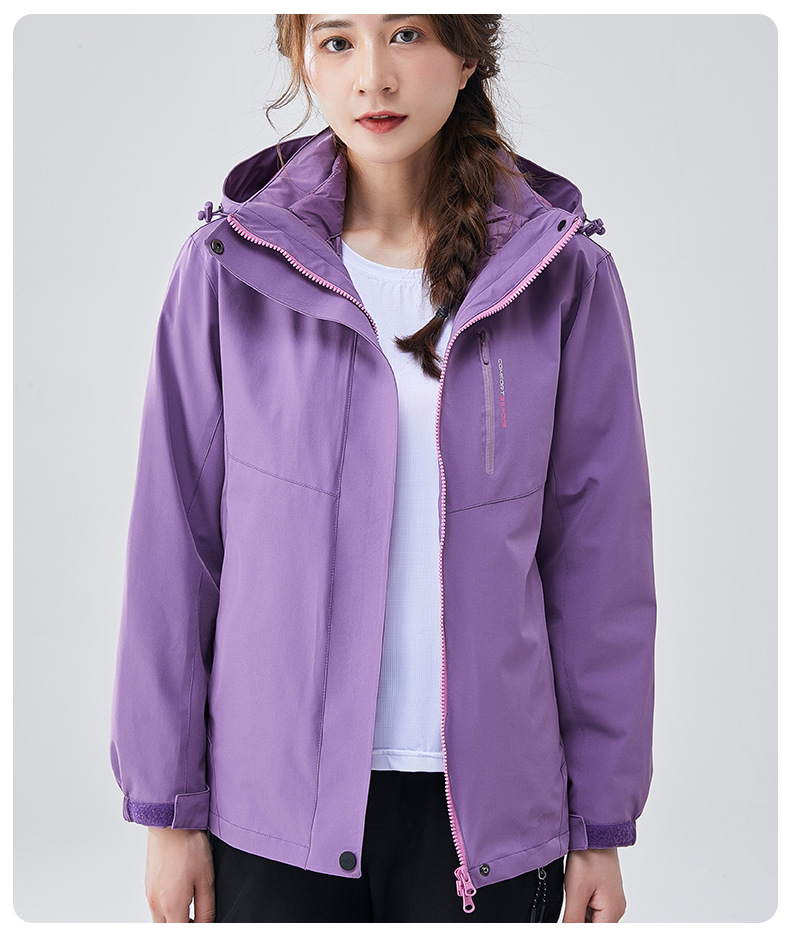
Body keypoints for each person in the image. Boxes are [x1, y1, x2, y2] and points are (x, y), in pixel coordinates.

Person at [109, 13, 657, 924]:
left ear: (468, 53)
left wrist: (598, 822)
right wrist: (169, 810)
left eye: (406, 35)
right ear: (303, 61)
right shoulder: (227, 270)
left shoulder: (562, 277)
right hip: (272, 809)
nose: (373, 76)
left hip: (490, 817)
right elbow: (175, 548)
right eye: (337, 41)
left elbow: (601, 570)